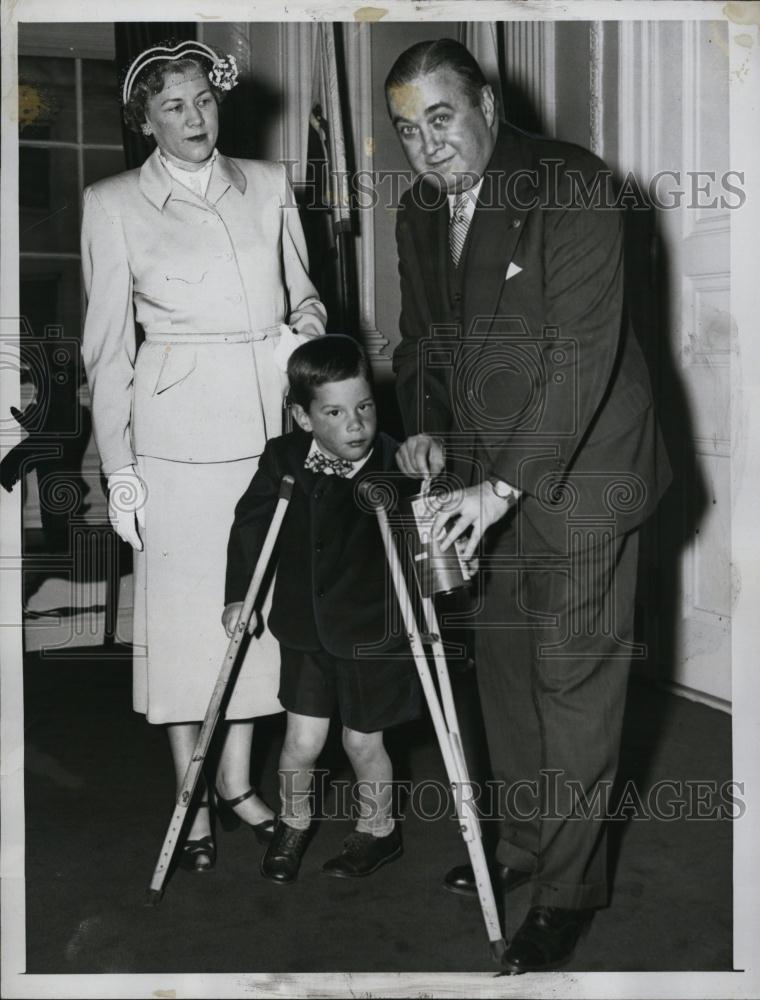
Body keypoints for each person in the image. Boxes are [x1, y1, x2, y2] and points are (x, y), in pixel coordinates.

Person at [385, 39, 672, 973]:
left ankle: (565, 892)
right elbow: (422, 336)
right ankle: (518, 847)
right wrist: (425, 427)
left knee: (572, 682)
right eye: (405, 130)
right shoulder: (421, 208)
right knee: (505, 672)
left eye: (440, 118)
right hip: (475, 475)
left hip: (583, 471)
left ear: (487, 104)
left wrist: (502, 486)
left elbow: (582, 353)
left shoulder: (575, 185)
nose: (427, 148)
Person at [81, 39, 326, 872]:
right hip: (174, 443)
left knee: (257, 614)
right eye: (172, 107)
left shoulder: (267, 186)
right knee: (189, 624)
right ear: (144, 122)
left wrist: (313, 330)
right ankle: (189, 794)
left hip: (263, 426)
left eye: (202, 101)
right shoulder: (112, 203)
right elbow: (107, 352)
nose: (194, 118)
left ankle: (237, 783)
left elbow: (304, 293)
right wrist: (119, 469)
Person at [222, 335, 420, 883]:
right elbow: (250, 528)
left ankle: (379, 830)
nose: (356, 424)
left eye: (365, 407)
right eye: (334, 412)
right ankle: (294, 820)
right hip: (305, 629)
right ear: (303, 417)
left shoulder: (391, 462)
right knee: (301, 743)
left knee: (362, 742)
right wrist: (241, 595)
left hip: (372, 631)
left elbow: (426, 531)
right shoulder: (282, 459)